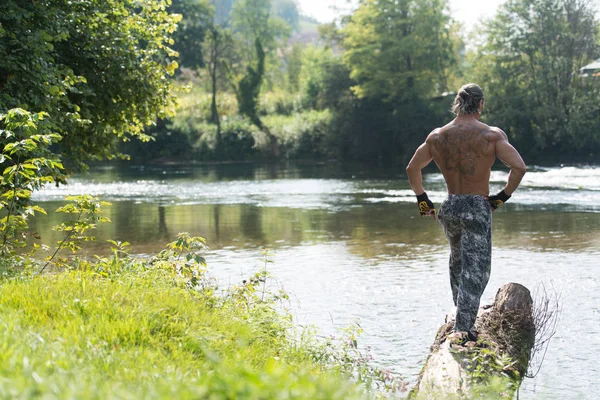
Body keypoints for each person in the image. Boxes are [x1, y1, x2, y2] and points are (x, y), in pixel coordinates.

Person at [405, 83, 526, 342]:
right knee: (477, 269)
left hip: (450, 205)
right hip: (476, 205)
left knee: (457, 262)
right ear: (480, 104)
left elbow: (412, 168)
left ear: (457, 103)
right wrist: (502, 197)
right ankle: (463, 330)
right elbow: (519, 167)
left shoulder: (437, 136)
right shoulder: (491, 135)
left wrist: (423, 201)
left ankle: (461, 317)